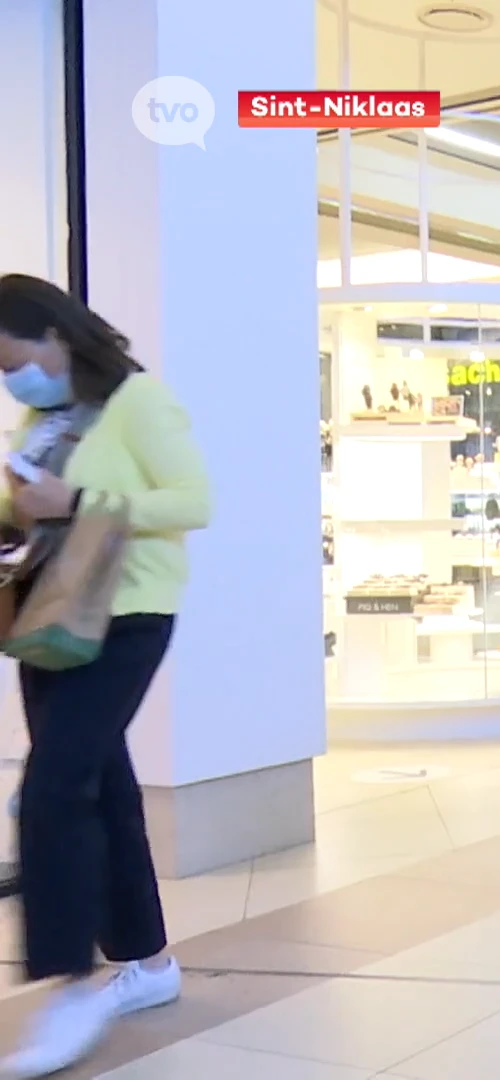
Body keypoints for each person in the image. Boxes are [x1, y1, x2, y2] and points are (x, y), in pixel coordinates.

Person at [0, 274, 212, 1077]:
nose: (10, 377)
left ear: (54, 336)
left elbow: (195, 500)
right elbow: (32, 504)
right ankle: (148, 964)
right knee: (101, 785)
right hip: (51, 614)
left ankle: (68, 985)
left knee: (53, 787)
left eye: (13, 358)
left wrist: (77, 497)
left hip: (127, 615)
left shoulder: (138, 402)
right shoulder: (43, 413)